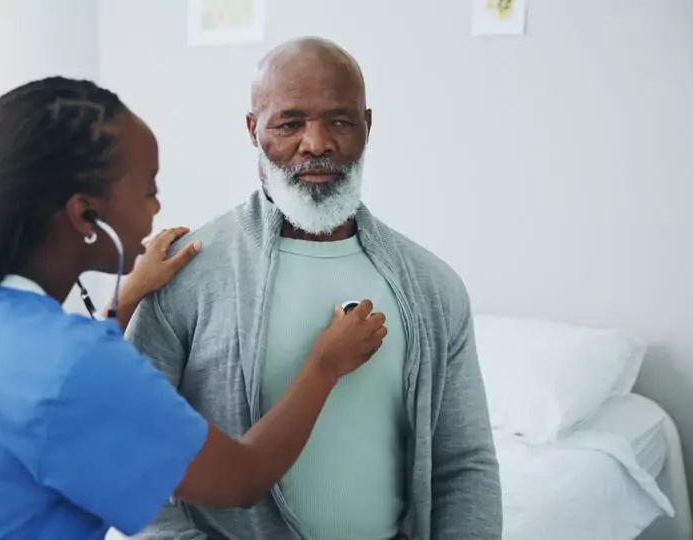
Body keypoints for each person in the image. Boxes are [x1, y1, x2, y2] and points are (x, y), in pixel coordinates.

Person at [0, 77, 389, 540]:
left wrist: (124, 300)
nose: (157, 207)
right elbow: (241, 478)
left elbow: (55, 404)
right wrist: (324, 365)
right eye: (149, 190)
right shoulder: (72, 366)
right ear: (86, 217)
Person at [127, 37, 502, 540]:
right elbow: (132, 454)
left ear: (367, 127)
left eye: (340, 121)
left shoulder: (432, 287)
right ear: (252, 130)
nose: (317, 142)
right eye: (290, 123)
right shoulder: (188, 274)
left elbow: (464, 463)